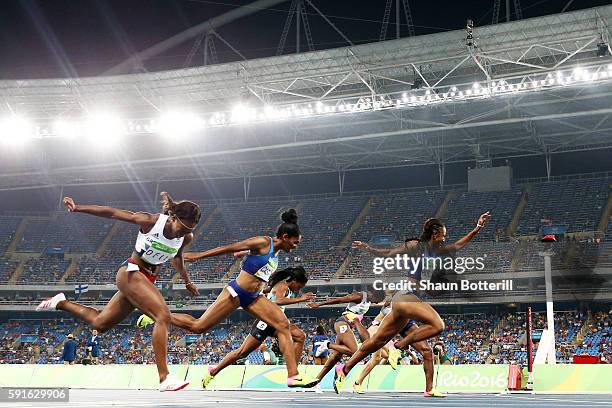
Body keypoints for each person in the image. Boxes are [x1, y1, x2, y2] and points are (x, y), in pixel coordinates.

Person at [36, 192, 201, 391]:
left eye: (189, 229)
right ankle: (164, 377)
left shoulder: (186, 237)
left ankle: (60, 302)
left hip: (146, 280)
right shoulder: (151, 222)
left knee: (100, 323)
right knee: (162, 316)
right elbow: (112, 213)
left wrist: (187, 281)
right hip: (131, 273)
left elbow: (178, 258)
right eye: (182, 228)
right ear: (174, 217)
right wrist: (78, 207)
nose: (184, 233)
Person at [139, 209, 318, 388]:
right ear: (285, 236)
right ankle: (158, 315)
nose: (296, 246)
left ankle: (293, 376)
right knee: (198, 326)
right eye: (295, 243)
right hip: (236, 292)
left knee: (283, 325)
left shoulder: (276, 254)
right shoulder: (263, 242)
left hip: (254, 297)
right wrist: (198, 256)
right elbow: (231, 247)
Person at [334, 212, 491, 396]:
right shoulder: (415, 246)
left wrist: (477, 228)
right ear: (435, 233)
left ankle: (344, 370)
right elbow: (388, 254)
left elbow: (458, 245)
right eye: (443, 235)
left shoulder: (437, 252)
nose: (444, 239)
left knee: (379, 342)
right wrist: (368, 248)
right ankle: (398, 346)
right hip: (406, 297)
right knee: (438, 325)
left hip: (405, 304)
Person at [201, 266, 315, 388]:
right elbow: (278, 301)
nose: (299, 289)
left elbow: (268, 294)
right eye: (299, 286)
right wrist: (300, 299)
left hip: (276, 323)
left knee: (300, 336)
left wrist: (265, 292)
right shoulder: (283, 286)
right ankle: (213, 371)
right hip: (266, 322)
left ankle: (294, 374)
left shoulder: (281, 286)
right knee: (241, 353)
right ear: (294, 281)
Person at [307, 289, 385, 386]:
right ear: (374, 294)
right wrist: (319, 304)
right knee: (355, 351)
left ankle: (317, 379)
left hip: (349, 326)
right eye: (377, 300)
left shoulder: (368, 300)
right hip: (342, 323)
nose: (376, 302)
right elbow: (340, 300)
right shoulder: (360, 296)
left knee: (336, 356)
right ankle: (326, 345)